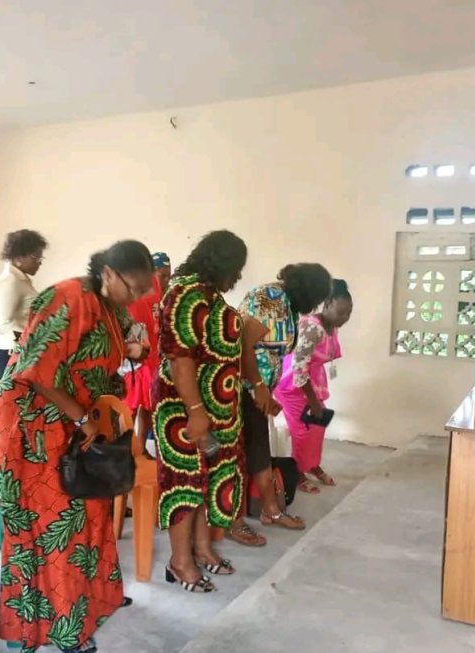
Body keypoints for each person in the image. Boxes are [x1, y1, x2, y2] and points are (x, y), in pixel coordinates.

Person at [0, 240, 153, 653]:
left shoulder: (109, 307)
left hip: (77, 420)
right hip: (36, 423)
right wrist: (81, 419)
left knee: (89, 509)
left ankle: (91, 603)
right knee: (55, 525)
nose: (136, 298)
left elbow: (101, 359)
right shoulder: (68, 298)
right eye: (133, 288)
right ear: (110, 274)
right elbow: (37, 372)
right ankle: (62, 629)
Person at [153, 231, 248, 592]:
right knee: (185, 482)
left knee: (205, 480)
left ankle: (203, 548)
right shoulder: (185, 293)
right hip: (183, 407)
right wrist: (195, 411)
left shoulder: (206, 293)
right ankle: (179, 562)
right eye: (236, 268)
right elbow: (180, 357)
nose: (237, 276)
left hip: (212, 407)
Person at [228, 263, 332, 546]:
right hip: (238, 385)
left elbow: (274, 353)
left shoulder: (289, 306)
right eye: (316, 298)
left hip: (258, 388)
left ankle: (270, 510)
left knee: (260, 445)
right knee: (239, 453)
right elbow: (242, 346)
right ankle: (235, 522)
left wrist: (266, 392)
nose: (314, 306)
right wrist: (259, 388)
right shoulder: (270, 299)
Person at [274, 279, 353, 493]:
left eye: (348, 314)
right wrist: (311, 401)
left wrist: (315, 401)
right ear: (327, 304)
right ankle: (298, 472)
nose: (344, 318)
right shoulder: (312, 327)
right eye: (341, 312)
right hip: (291, 382)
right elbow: (299, 368)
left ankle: (311, 465)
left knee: (317, 426)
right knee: (302, 431)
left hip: (312, 381)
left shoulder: (331, 326)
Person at [123, 252, 170, 445]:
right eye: (162, 275)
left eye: (169, 275)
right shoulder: (134, 295)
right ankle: (125, 449)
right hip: (136, 358)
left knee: (149, 406)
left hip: (153, 356)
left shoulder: (161, 293)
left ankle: (141, 448)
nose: (166, 280)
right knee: (130, 407)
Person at [0, 229, 49, 379]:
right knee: (17, 401)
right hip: (9, 353)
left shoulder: (20, 280)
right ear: (18, 256)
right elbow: (0, 324)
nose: (39, 262)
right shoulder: (10, 282)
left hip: (21, 351)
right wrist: (34, 336)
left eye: (41, 257)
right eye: (35, 257)